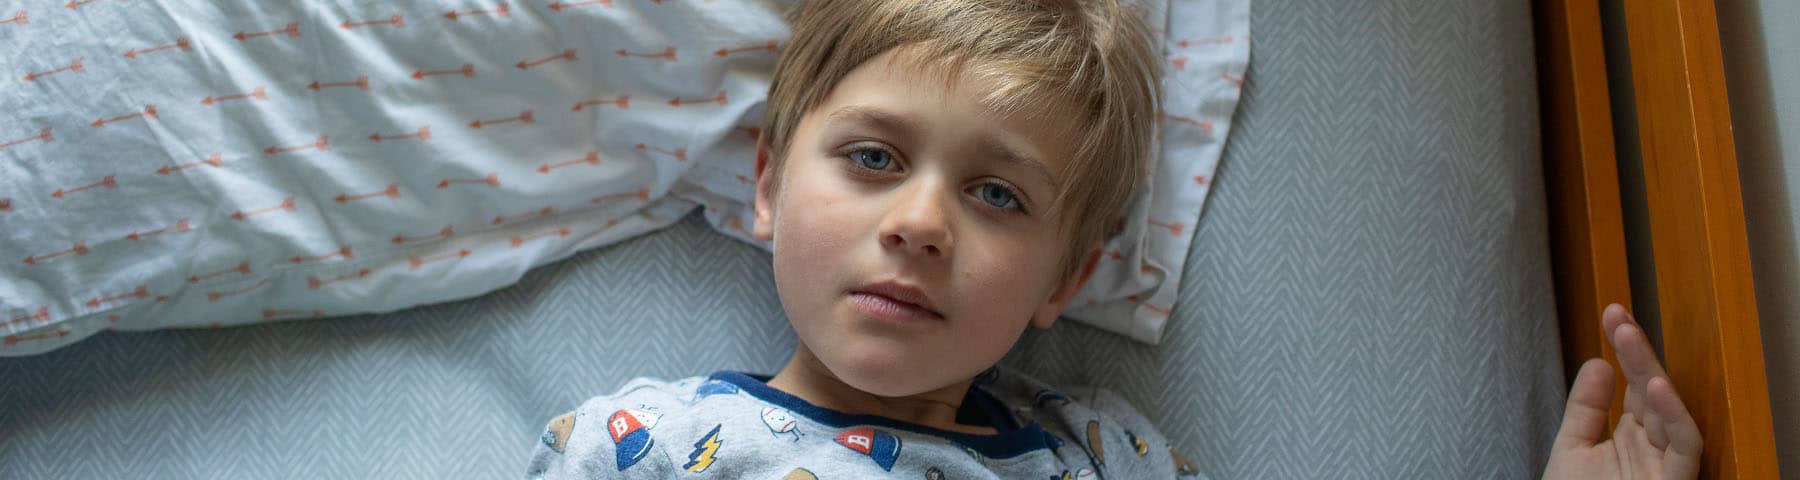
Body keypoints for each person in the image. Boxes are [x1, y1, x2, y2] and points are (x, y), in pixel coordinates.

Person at [527, 0, 1703, 477]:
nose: (923, 222)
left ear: (1067, 279)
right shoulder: (638, 440)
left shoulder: (1100, 455)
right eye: (875, 159)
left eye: (999, 197)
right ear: (770, 189)